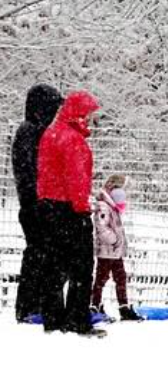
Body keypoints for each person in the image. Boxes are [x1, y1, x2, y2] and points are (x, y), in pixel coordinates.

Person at [36, 91, 102, 336]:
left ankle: (53, 319)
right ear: (80, 114)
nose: (93, 119)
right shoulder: (73, 140)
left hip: (48, 206)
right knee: (82, 268)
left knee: (53, 265)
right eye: (90, 114)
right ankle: (77, 320)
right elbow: (76, 178)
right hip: (68, 208)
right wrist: (82, 208)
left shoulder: (50, 134)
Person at [11, 84, 62, 324]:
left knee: (41, 256)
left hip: (37, 205)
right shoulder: (29, 132)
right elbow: (29, 173)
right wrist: (40, 201)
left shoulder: (34, 131)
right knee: (38, 256)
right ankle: (30, 307)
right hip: (35, 206)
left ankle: (34, 305)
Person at [90, 174, 138, 321]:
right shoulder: (104, 206)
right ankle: (94, 306)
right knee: (101, 279)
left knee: (120, 278)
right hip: (107, 251)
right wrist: (115, 240)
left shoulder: (112, 207)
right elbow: (102, 228)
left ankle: (123, 307)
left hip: (114, 252)